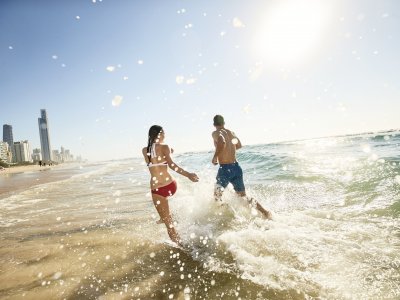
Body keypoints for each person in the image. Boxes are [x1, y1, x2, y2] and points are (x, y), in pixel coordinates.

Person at [142, 125, 199, 245]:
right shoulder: (165, 147)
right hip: (170, 185)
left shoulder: (144, 150)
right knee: (167, 219)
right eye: (164, 133)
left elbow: (154, 159)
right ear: (160, 134)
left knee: (168, 224)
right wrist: (188, 174)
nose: (165, 135)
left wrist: (167, 151)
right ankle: (167, 218)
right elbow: (171, 165)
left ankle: (179, 244)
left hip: (156, 189)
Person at [211, 115, 272, 219]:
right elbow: (239, 145)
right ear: (224, 123)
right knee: (243, 196)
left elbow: (221, 142)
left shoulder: (216, 133)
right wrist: (229, 151)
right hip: (236, 167)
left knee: (217, 196)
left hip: (225, 169)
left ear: (214, 124)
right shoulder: (231, 132)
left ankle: (229, 214)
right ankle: (265, 212)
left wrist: (215, 157)